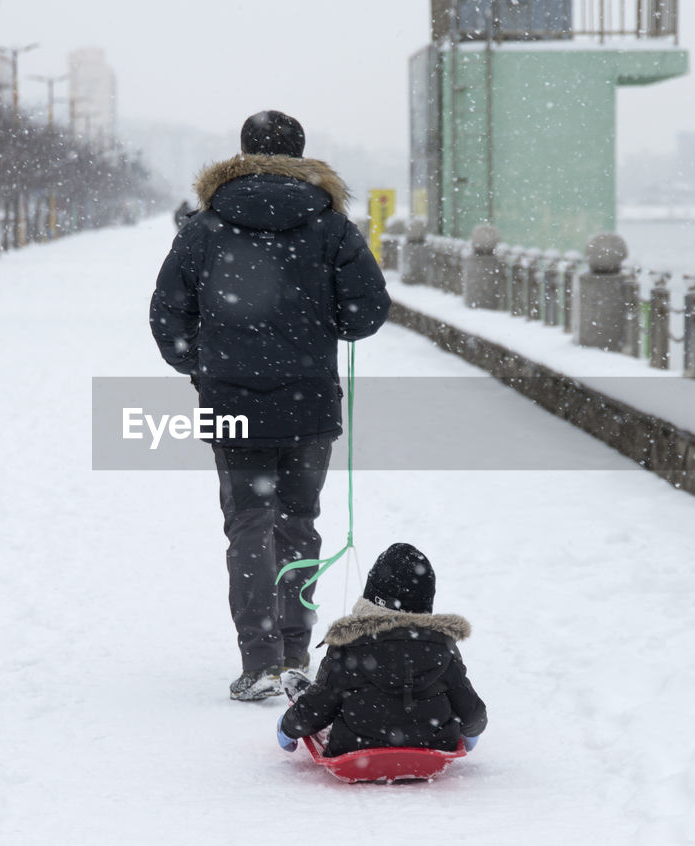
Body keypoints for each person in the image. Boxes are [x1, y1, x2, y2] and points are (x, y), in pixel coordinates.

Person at [150, 110, 390, 701]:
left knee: (248, 527)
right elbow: (368, 313)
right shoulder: (331, 225)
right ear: (303, 156)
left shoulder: (204, 227)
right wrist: (321, 324)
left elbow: (167, 316)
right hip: (308, 401)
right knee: (298, 525)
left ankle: (258, 662)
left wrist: (203, 366)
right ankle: (294, 656)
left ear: (241, 152)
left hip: (231, 403)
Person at [275, 543, 487, 757]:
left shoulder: (350, 645)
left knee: (323, 696)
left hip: (356, 749)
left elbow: (317, 707)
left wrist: (287, 728)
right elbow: (473, 713)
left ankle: (301, 693)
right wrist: (470, 733)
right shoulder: (442, 647)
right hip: (432, 746)